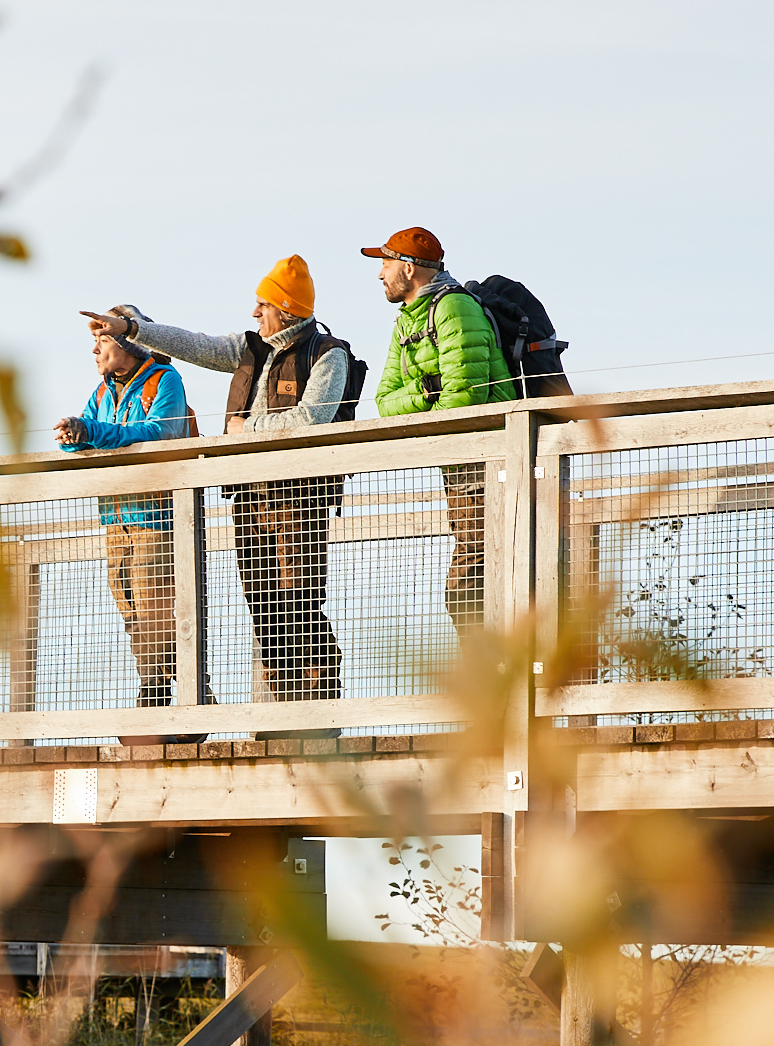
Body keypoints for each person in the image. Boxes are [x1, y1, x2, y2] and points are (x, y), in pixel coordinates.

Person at [98, 255, 355, 703]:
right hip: (248, 496)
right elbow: (192, 344)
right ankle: (282, 711)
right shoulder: (249, 347)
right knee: (263, 606)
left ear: (287, 309)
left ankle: (317, 708)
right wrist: (133, 330)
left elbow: (312, 419)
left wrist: (244, 430)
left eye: (263, 305)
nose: (255, 314)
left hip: (301, 496)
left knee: (300, 599)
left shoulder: (328, 355)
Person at [361, 226, 516, 629]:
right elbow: (383, 402)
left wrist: (423, 397)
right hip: (459, 467)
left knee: (473, 586)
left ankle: (491, 684)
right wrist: (428, 390)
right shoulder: (406, 322)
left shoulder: (454, 309)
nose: (380, 274)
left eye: (385, 264)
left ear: (408, 269)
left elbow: (465, 398)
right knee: (471, 585)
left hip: (488, 462)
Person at [55, 314, 191, 707]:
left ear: (127, 345)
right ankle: (159, 694)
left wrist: (91, 432)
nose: (95, 350)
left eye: (103, 340)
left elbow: (158, 433)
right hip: (115, 519)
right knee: (132, 613)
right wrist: (71, 436)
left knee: (159, 612)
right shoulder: (101, 392)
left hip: (157, 519)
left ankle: (175, 698)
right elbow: (87, 434)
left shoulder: (164, 380)